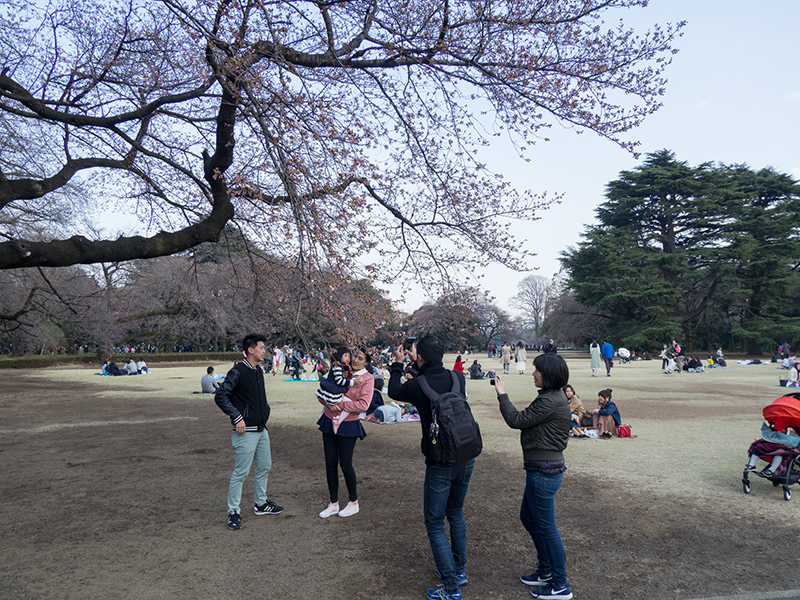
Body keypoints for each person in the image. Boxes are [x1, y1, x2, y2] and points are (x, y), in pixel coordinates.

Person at [389, 336, 473, 600]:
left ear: (420, 356)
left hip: (439, 461)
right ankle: (458, 570)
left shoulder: (416, 385)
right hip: (466, 454)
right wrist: (419, 362)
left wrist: (398, 364)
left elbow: (393, 390)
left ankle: (450, 588)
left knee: (435, 522)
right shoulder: (457, 378)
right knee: (456, 513)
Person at [493, 353, 573, 600]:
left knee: (547, 528)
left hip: (545, 471)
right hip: (541, 468)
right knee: (528, 517)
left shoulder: (550, 401)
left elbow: (516, 420)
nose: (533, 373)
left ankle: (560, 585)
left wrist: (502, 394)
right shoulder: (550, 397)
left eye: (537, 370)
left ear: (548, 374)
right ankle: (546, 570)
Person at [214, 333, 283, 530]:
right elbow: (221, 396)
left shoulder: (258, 371)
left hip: (261, 430)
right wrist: (237, 417)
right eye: (261, 347)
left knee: (264, 467)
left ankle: (261, 504)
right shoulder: (237, 371)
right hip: (246, 432)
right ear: (250, 350)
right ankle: (233, 511)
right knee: (240, 473)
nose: (264, 351)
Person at [317, 347, 374, 519]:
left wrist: (340, 405)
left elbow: (363, 405)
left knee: (346, 464)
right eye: (354, 356)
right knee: (330, 463)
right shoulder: (340, 369)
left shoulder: (367, 378)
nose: (355, 360)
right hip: (328, 420)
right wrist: (327, 403)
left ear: (367, 362)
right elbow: (324, 388)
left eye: (360, 358)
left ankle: (353, 502)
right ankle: (333, 503)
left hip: (348, 425)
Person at [314, 346, 353, 434]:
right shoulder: (337, 366)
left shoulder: (340, 366)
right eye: (346, 356)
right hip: (333, 391)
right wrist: (351, 382)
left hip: (331, 390)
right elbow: (339, 381)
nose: (348, 358)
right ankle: (338, 421)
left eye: (349, 356)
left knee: (326, 404)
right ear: (339, 356)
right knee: (349, 404)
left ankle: (322, 417)